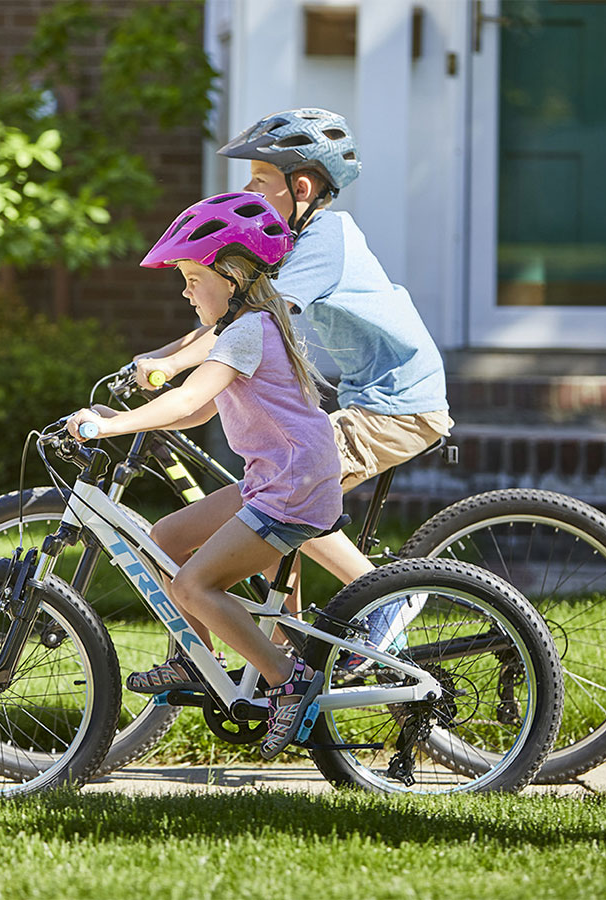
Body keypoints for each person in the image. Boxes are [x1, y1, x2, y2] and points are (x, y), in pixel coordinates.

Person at [133, 108, 452, 621]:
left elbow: (246, 321)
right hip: (370, 401)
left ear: (300, 187)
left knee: (292, 492)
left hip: (399, 406)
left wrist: (168, 366)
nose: (251, 189)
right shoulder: (289, 244)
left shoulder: (327, 239)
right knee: (276, 501)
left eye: (261, 178)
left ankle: (389, 595)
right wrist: (163, 359)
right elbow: (234, 321)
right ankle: (287, 643)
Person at [66, 191, 338, 759]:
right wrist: (123, 419)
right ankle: (197, 659)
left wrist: (108, 430)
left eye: (193, 277)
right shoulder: (247, 328)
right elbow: (199, 409)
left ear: (234, 275)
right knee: (164, 539)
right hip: (277, 477)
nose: (186, 290)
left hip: (290, 487)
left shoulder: (246, 331)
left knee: (192, 584)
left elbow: (187, 393)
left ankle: (287, 680)